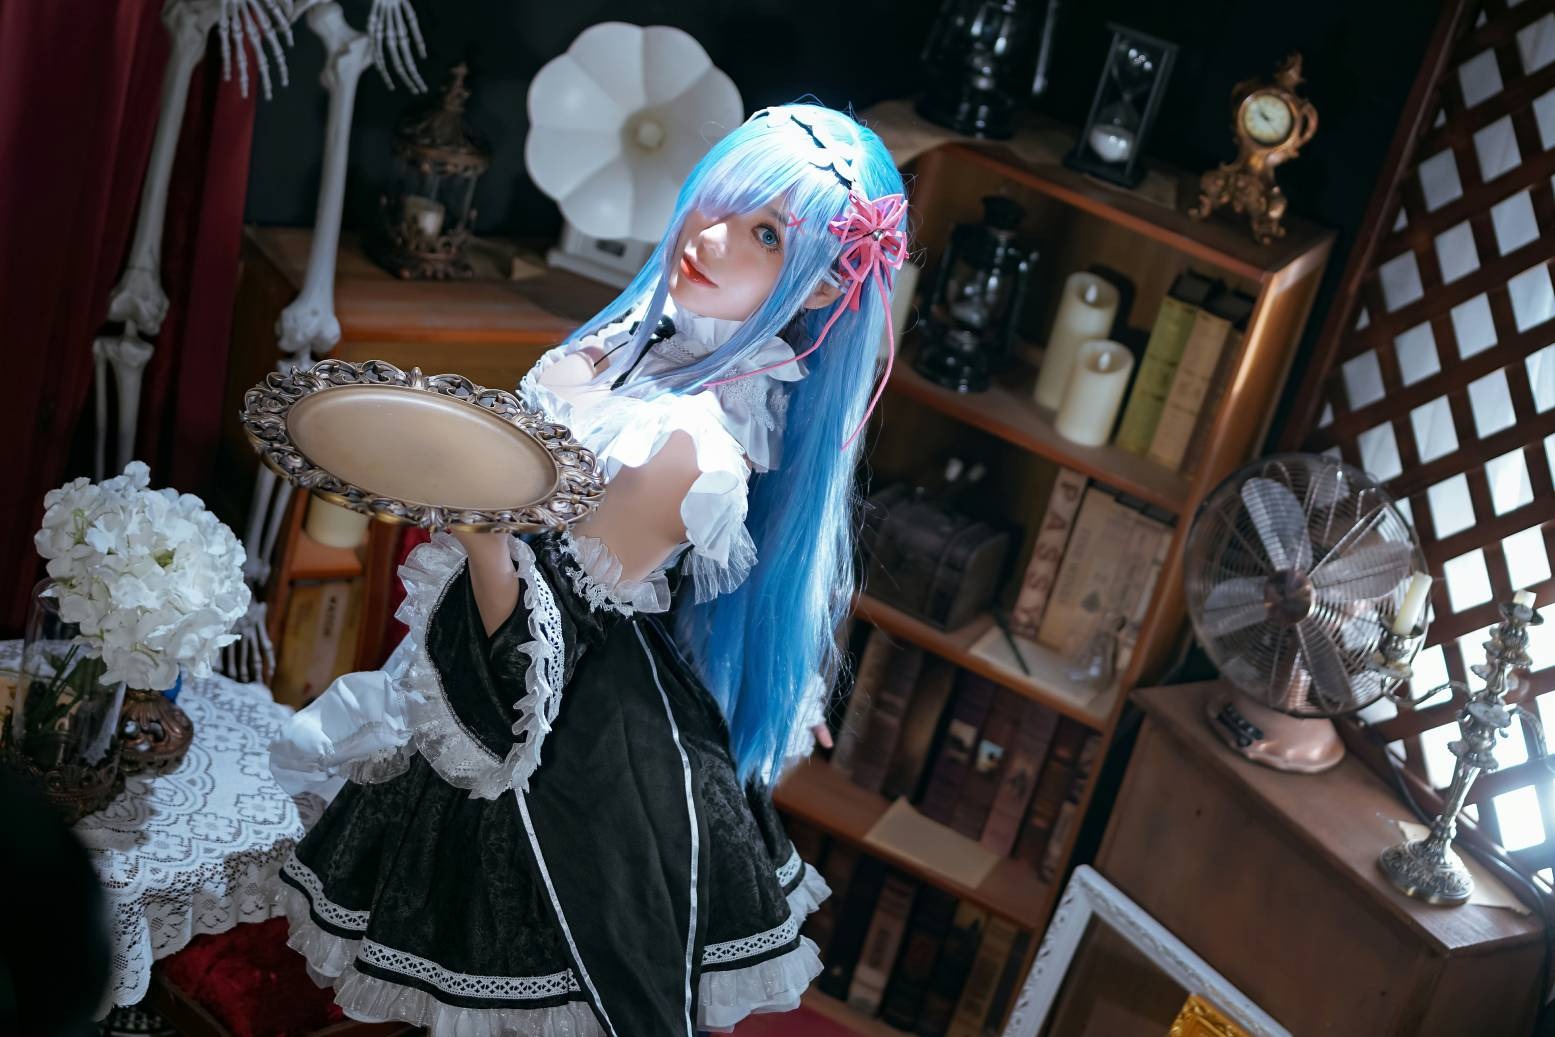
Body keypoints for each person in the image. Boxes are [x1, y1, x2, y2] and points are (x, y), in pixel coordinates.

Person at [267, 101, 908, 1036]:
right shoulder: (652, 338)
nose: (712, 236)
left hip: (565, 743)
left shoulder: (690, 445)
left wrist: (475, 522)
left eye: (767, 234)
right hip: (518, 667)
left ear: (818, 289)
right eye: (722, 200)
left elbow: (539, 647)